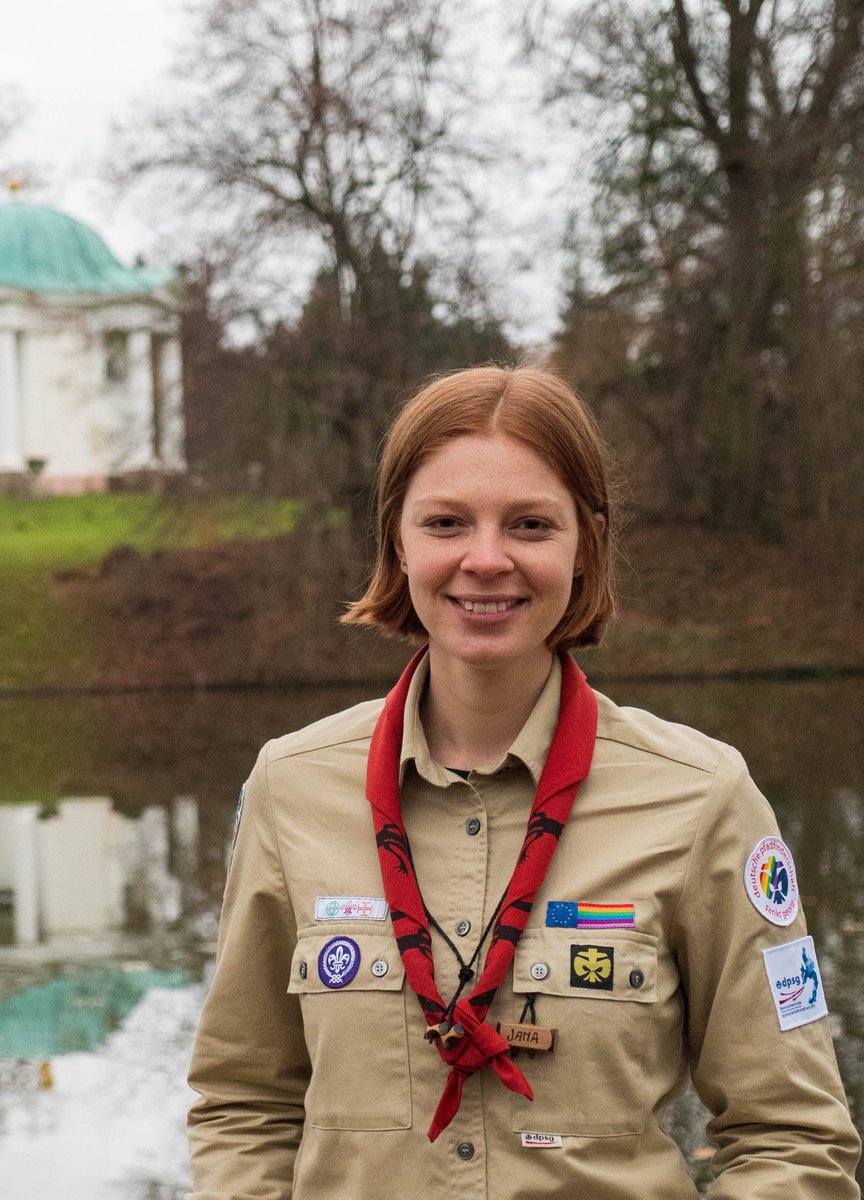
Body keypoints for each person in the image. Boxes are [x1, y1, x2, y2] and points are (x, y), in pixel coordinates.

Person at [185, 365, 861, 1199]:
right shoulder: (292, 790)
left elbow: (792, 1137)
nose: (486, 558)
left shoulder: (703, 800)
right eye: (446, 522)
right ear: (397, 541)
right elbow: (245, 1107)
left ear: (587, 546)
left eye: (532, 524)